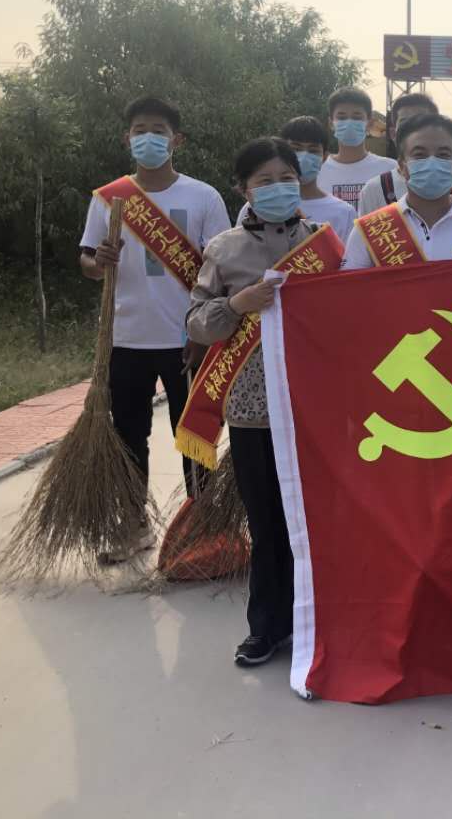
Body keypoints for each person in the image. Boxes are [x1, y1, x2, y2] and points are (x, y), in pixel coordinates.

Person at [79, 94, 230, 560]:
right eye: (139, 130)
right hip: (127, 338)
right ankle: (133, 523)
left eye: (158, 131)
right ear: (126, 139)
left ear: (176, 140)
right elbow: (87, 261)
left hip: (188, 338)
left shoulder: (203, 196)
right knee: (128, 435)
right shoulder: (110, 198)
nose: (148, 138)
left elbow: (223, 265)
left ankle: (201, 524)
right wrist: (99, 262)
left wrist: (209, 333)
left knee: (195, 435)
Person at [187, 138, 318, 667]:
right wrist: (237, 304)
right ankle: (266, 628)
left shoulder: (325, 243)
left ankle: (319, 622)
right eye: (265, 181)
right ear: (244, 189)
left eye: (287, 177)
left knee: (315, 524)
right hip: (252, 411)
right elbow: (197, 323)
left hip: (314, 410)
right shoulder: (224, 249)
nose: (278, 188)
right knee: (266, 525)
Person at [343, 113, 452, 268]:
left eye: (443, 154)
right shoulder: (369, 231)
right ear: (402, 166)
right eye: (419, 154)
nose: (432, 162)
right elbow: (351, 286)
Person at [357, 91, 452, 214]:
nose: (414, 129)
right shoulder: (375, 189)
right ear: (393, 133)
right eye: (405, 123)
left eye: (422, 121)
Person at [236, 115, 355, 233]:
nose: (304, 156)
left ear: (324, 156)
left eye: (313, 150)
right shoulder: (257, 207)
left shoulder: (343, 212)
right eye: (296, 148)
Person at [315, 87, 397, 209]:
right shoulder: (317, 171)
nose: (349, 122)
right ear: (331, 123)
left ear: (369, 123)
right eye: (342, 117)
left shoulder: (390, 169)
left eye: (357, 117)